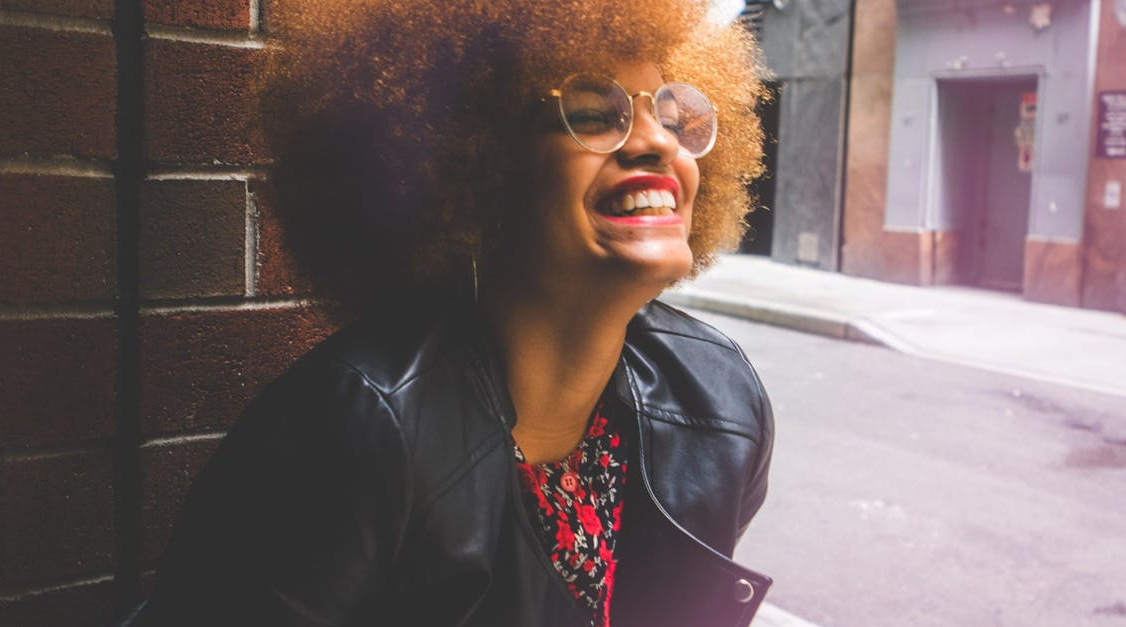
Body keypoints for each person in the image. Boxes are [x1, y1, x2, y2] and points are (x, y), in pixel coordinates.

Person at [132, 0, 773, 625]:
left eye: (672, 117)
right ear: (470, 160)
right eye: (591, 114)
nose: (657, 143)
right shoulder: (354, 430)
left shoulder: (720, 406)